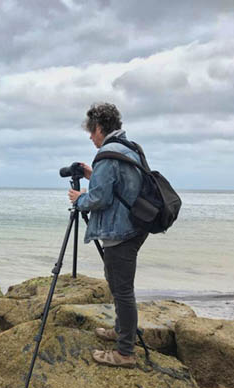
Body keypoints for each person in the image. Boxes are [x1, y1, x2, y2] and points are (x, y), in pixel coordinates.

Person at [67, 102, 148, 369]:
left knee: (122, 291)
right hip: (135, 227)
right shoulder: (129, 148)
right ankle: (121, 331)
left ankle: (124, 353)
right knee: (116, 282)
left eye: (91, 131)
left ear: (100, 128)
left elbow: (100, 198)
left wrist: (80, 199)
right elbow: (120, 187)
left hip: (120, 232)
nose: (90, 137)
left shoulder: (107, 154)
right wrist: (93, 176)